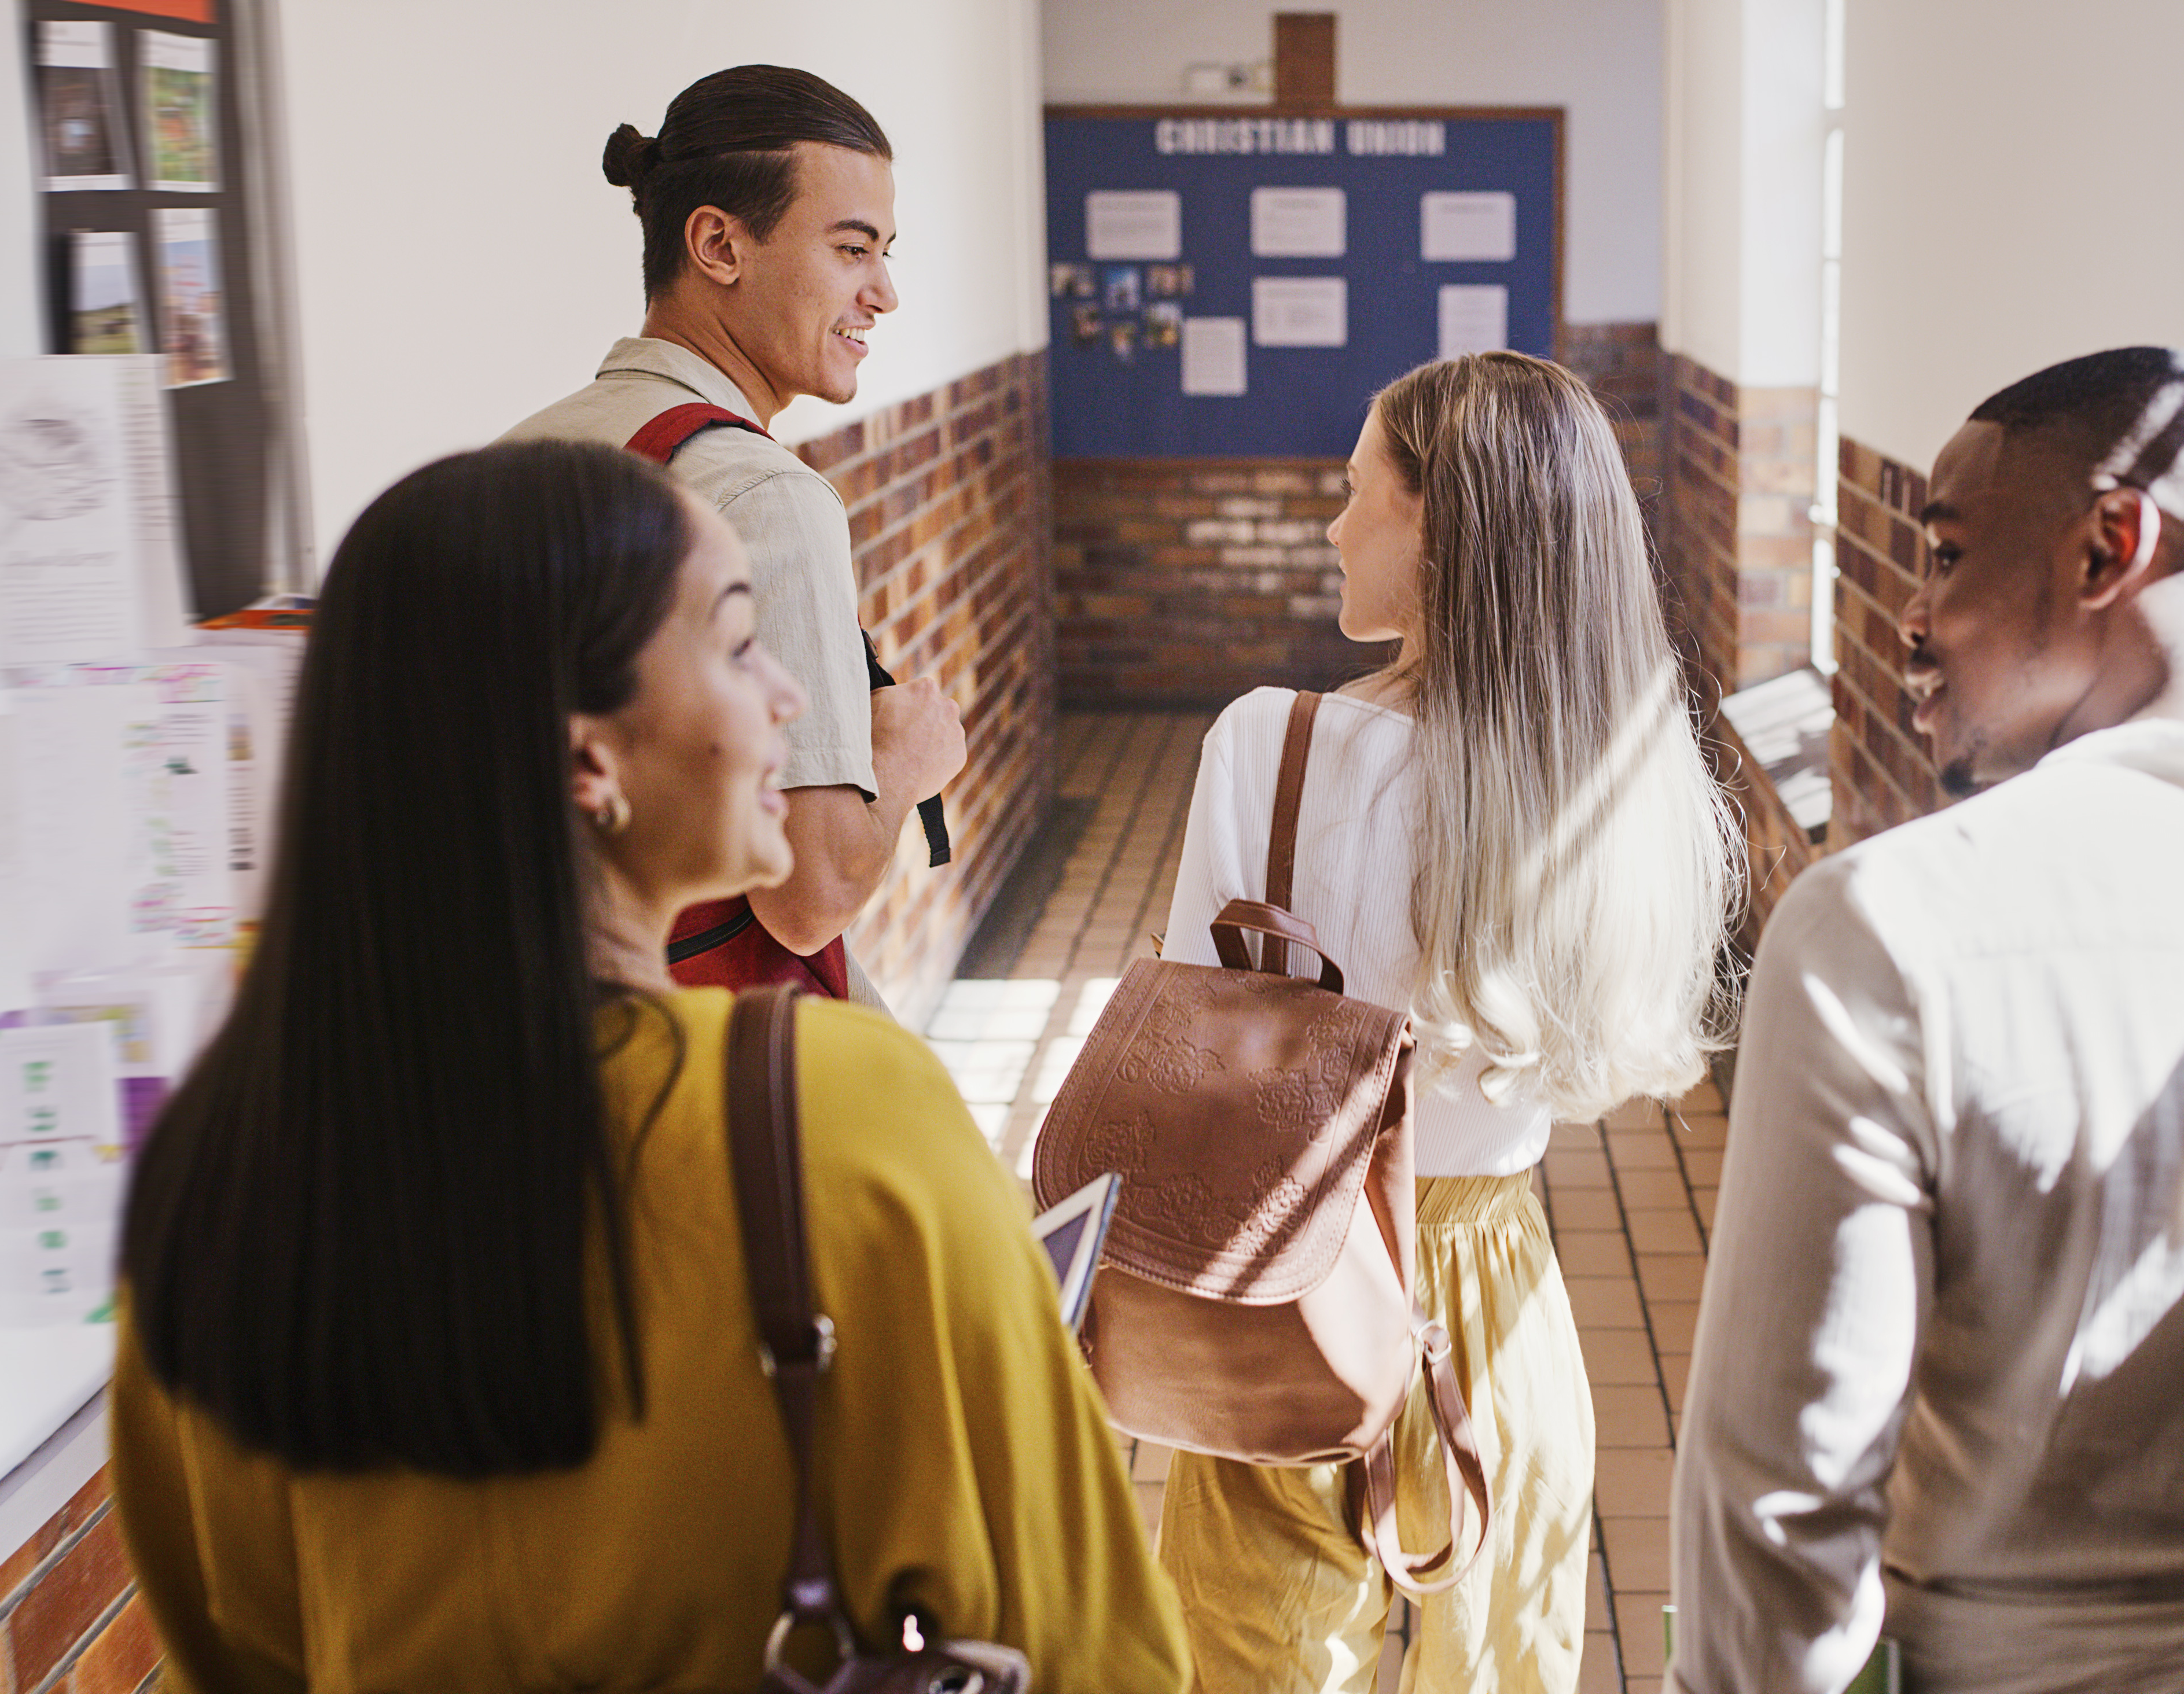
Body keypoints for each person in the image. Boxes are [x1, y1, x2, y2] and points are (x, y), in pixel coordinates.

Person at [112, 441, 1191, 1693]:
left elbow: (235, 1644)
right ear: (588, 762)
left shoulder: (214, 1181)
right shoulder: (838, 1114)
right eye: (739, 646)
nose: (789, 694)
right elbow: (1092, 1648)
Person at [1669, 348, 2184, 1694]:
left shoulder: (1892, 927)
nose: (1914, 615)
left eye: (1948, 556)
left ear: (2108, 549)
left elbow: (1782, 1503)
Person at [1152, 351, 1740, 1693]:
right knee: (1503, 1663)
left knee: (1262, 1663)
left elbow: (1196, 1060)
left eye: (1356, 491)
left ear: (1440, 527)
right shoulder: (1623, 780)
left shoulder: (1268, 747)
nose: (1332, 522)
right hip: (1502, 1295)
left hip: (1294, 1282)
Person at [502, 64, 968, 1008]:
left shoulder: (526, 451)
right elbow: (811, 894)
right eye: (851, 249)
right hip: (715, 1049)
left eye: (885, 254)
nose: (883, 293)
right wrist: (907, 757)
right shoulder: (762, 495)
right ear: (718, 244)